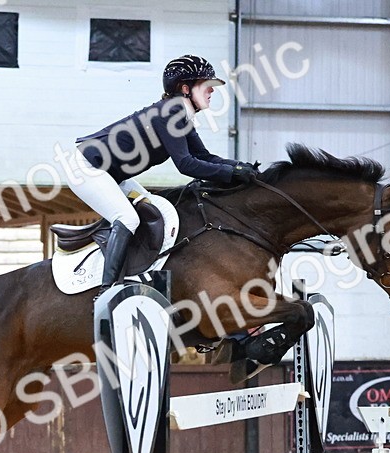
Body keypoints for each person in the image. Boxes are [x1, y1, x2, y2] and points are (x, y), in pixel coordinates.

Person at [69, 54, 259, 294]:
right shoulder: (170, 113)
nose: (212, 91)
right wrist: (231, 174)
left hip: (113, 174)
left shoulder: (179, 114)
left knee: (158, 213)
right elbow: (186, 165)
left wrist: (240, 167)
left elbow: (204, 156)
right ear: (185, 88)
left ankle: (138, 275)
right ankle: (107, 290)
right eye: (207, 85)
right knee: (128, 218)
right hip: (86, 167)